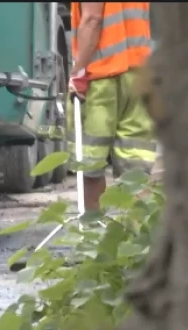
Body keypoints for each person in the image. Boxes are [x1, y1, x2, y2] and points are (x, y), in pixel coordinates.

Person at [67, 2, 156, 211]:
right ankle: (136, 237)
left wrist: (78, 72)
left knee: (90, 164)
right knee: (136, 168)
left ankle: (95, 233)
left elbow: (92, 19)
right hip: (139, 74)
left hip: (101, 78)